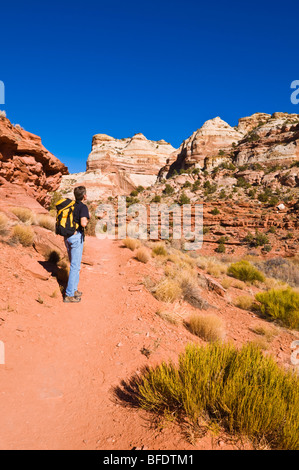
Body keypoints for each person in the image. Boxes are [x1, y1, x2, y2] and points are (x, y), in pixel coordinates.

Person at [64, 186, 90, 303]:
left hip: (67, 237)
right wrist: (87, 220)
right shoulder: (83, 207)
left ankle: (74, 289)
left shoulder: (70, 205)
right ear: (84, 196)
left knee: (74, 265)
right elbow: (83, 223)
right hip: (76, 237)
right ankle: (69, 295)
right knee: (75, 266)